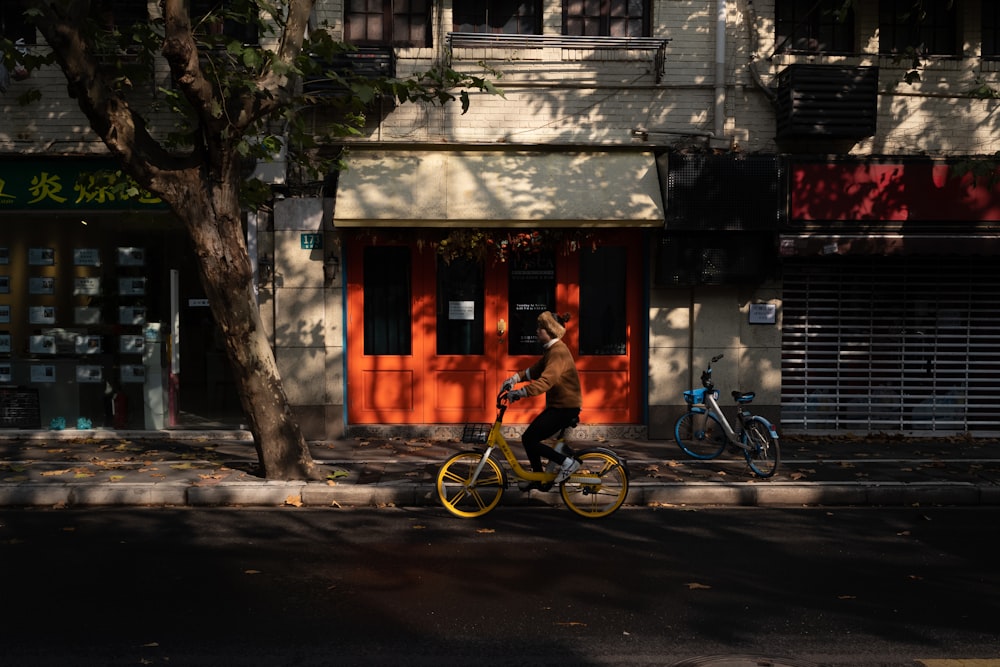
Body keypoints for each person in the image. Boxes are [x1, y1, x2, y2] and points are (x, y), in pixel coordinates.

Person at [502, 311, 582, 489]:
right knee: (529, 438)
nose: (537, 331)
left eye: (541, 328)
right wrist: (514, 378)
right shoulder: (551, 350)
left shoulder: (558, 352)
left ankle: (567, 463)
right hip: (560, 407)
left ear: (551, 331)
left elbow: (546, 381)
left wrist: (520, 393)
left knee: (530, 439)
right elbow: (535, 371)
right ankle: (538, 478)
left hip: (564, 408)